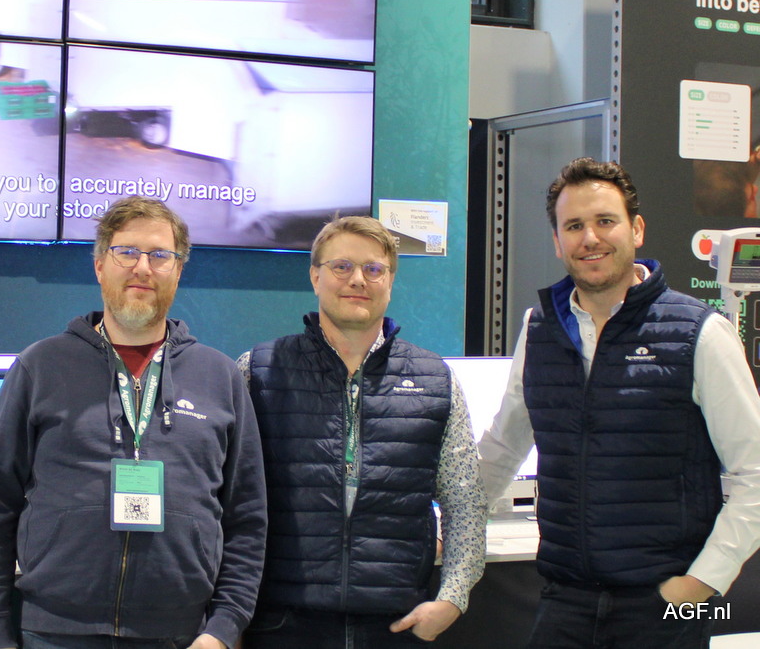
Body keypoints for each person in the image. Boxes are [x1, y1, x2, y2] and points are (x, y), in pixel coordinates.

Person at [479, 157, 760, 648]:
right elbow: (503, 446)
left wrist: (701, 583)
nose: (590, 238)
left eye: (605, 221)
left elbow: (754, 471)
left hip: (665, 603)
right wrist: (450, 524)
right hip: (565, 597)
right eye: (574, 226)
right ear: (557, 241)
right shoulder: (539, 329)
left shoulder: (700, 333)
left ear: (637, 229)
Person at [0, 195, 268, 649]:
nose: (142, 268)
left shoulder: (220, 376)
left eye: (160, 255)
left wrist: (224, 629)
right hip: (56, 632)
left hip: (181, 635)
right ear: (99, 266)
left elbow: (247, 518)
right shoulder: (40, 367)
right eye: (126, 252)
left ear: (178, 270)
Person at [239, 215, 487, 648]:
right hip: (283, 623)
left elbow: (465, 500)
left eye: (373, 269)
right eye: (341, 266)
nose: (357, 279)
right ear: (315, 276)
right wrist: (230, 618)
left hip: (396, 624)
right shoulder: (258, 372)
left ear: (390, 281)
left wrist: (453, 597)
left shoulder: (435, 380)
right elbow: (227, 504)